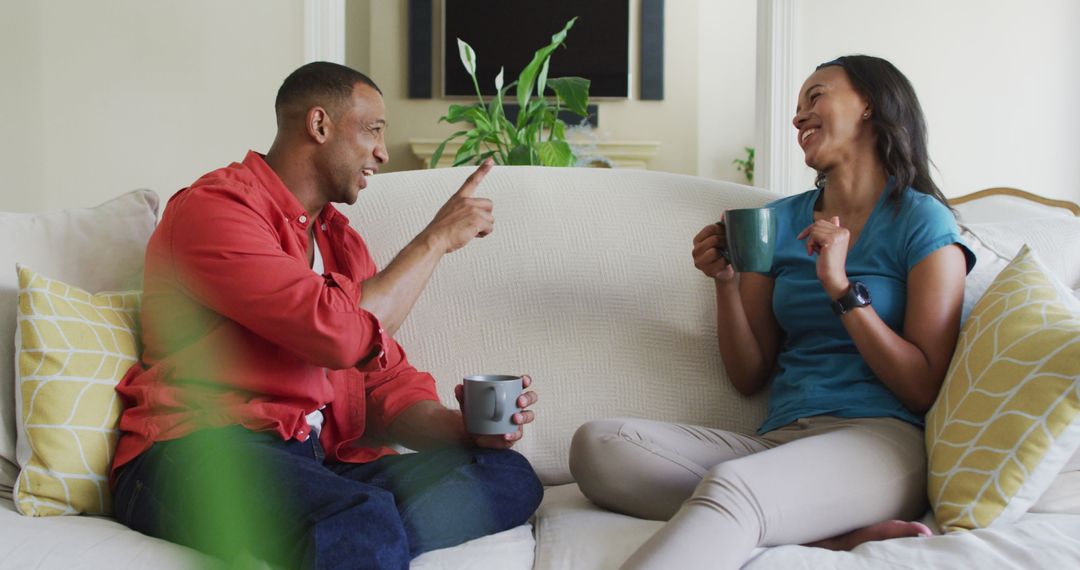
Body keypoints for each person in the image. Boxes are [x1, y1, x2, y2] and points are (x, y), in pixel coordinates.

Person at [110, 62, 543, 569]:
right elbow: (338, 336)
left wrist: (465, 430)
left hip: (314, 465)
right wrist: (436, 238)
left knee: (506, 475)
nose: (382, 152)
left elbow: (384, 384)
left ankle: (330, 536)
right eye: (374, 130)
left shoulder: (343, 244)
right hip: (195, 454)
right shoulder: (215, 211)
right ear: (319, 125)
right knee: (357, 516)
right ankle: (345, 532)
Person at [569, 55, 976, 569]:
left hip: (881, 439)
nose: (799, 116)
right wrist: (725, 281)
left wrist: (841, 287)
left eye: (816, 97)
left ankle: (762, 513)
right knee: (599, 446)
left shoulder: (921, 220)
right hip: (780, 440)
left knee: (732, 489)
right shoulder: (774, 223)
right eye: (797, 106)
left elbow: (922, 386)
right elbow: (748, 374)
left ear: (869, 105)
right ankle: (820, 534)